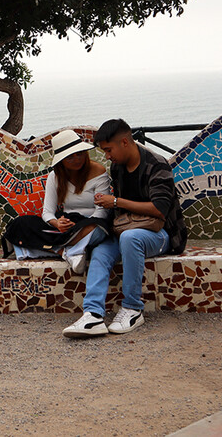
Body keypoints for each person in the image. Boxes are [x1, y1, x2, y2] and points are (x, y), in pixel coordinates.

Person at [63, 119, 187, 339]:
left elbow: (160, 209)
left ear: (124, 142)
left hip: (162, 234)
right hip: (126, 230)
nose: (108, 156)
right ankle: (93, 315)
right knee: (101, 249)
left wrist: (116, 202)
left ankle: (133, 308)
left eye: (109, 150)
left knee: (130, 239)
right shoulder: (118, 167)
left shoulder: (157, 165)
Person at [1, 130, 112, 273]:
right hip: (64, 226)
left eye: (79, 154)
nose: (77, 159)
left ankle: (39, 249)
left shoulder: (98, 172)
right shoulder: (55, 177)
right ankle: (65, 252)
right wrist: (57, 223)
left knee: (98, 230)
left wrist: (77, 228)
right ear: (62, 160)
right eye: (70, 157)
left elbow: (102, 213)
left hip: (89, 224)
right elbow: (47, 212)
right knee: (20, 224)